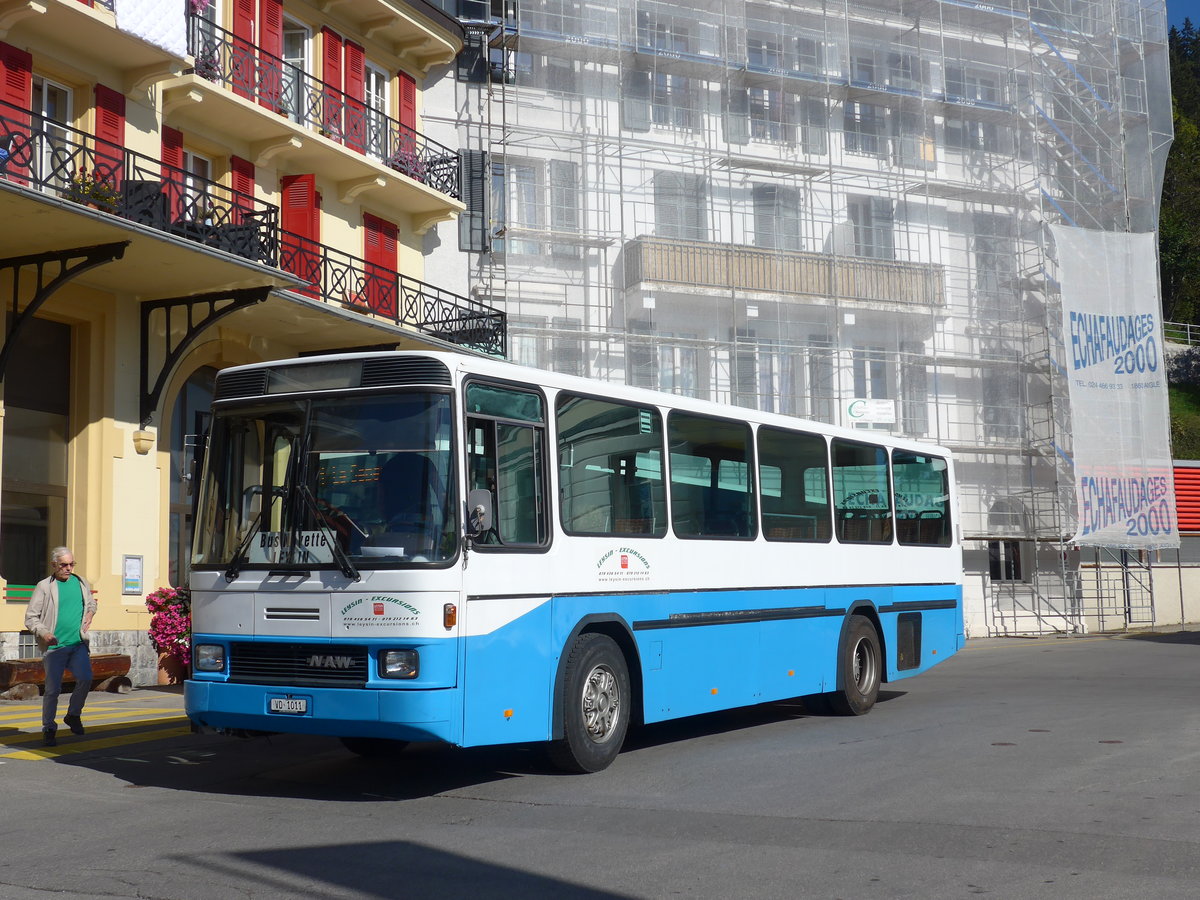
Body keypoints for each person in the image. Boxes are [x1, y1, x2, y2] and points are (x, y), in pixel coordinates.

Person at [24, 547, 96, 747]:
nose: (69, 568)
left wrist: (90, 613)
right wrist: (44, 633)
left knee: (85, 678)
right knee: (52, 690)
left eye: (72, 564)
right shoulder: (45, 587)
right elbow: (30, 618)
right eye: (64, 565)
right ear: (54, 565)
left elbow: (91, 604)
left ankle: (73, 715)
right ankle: (48, 728)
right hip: (55, 647)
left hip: (77, 644)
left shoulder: (81, 583)